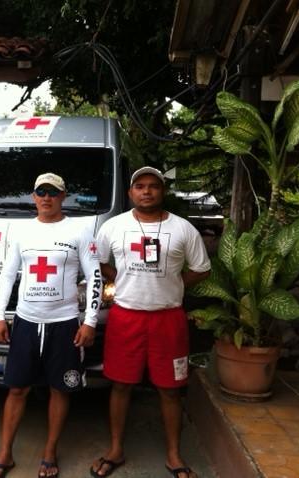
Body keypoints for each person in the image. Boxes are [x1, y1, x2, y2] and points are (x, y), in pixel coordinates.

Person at [90, 167, 211, 478]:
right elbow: (100, 261)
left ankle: (173, 454)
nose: (147, 191)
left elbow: (201, 268)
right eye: (140, 186)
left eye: (153, 186)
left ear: (163, 191)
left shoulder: (183, 229)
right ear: (130, 193)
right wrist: (120, 279)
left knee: (170, 389)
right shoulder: (113, 227)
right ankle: (115, 449)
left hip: (168, 318)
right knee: (120, 385)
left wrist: (176, 283)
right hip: (125, 316)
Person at [0, 172, 102, 478]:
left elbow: (94, 277)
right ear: (33, 196)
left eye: (53, 192)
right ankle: (5, 453)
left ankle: (50, 452)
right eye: (40, 192)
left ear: (63, 196)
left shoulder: (80, 231)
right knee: (17, 389)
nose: (46, 197)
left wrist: (89, 321)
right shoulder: (22, 232)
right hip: (25, 322)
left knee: (60, 389)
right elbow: (8, 275)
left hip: (64, 324)